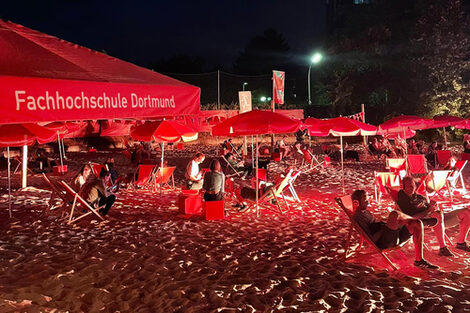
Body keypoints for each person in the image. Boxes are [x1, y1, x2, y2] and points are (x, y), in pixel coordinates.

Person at [352, 189, 438, 269]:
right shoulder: (358, 217)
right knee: (394, 214)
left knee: (416, 224)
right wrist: (385, 228)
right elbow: (372, 238)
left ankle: (419, 261)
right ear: (357, 202)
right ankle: (415, 219)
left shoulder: (366, 212)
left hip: (391, 235)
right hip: (384, 241)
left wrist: (388, 224)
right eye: (365, 200)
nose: (368, 202)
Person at [397, 177, 470, 257]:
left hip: (439, 217)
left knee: (466, 212)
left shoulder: (419, 197)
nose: (412, 188)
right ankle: (443, 248)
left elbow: (430, 207)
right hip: (428, 220)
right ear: (403, 187)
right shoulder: (403, 199)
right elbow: (412, 217)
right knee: (437, 215)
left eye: (413, 186)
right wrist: (429, 210)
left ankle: (461, 243)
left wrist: (434, 205)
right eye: (409, 186)